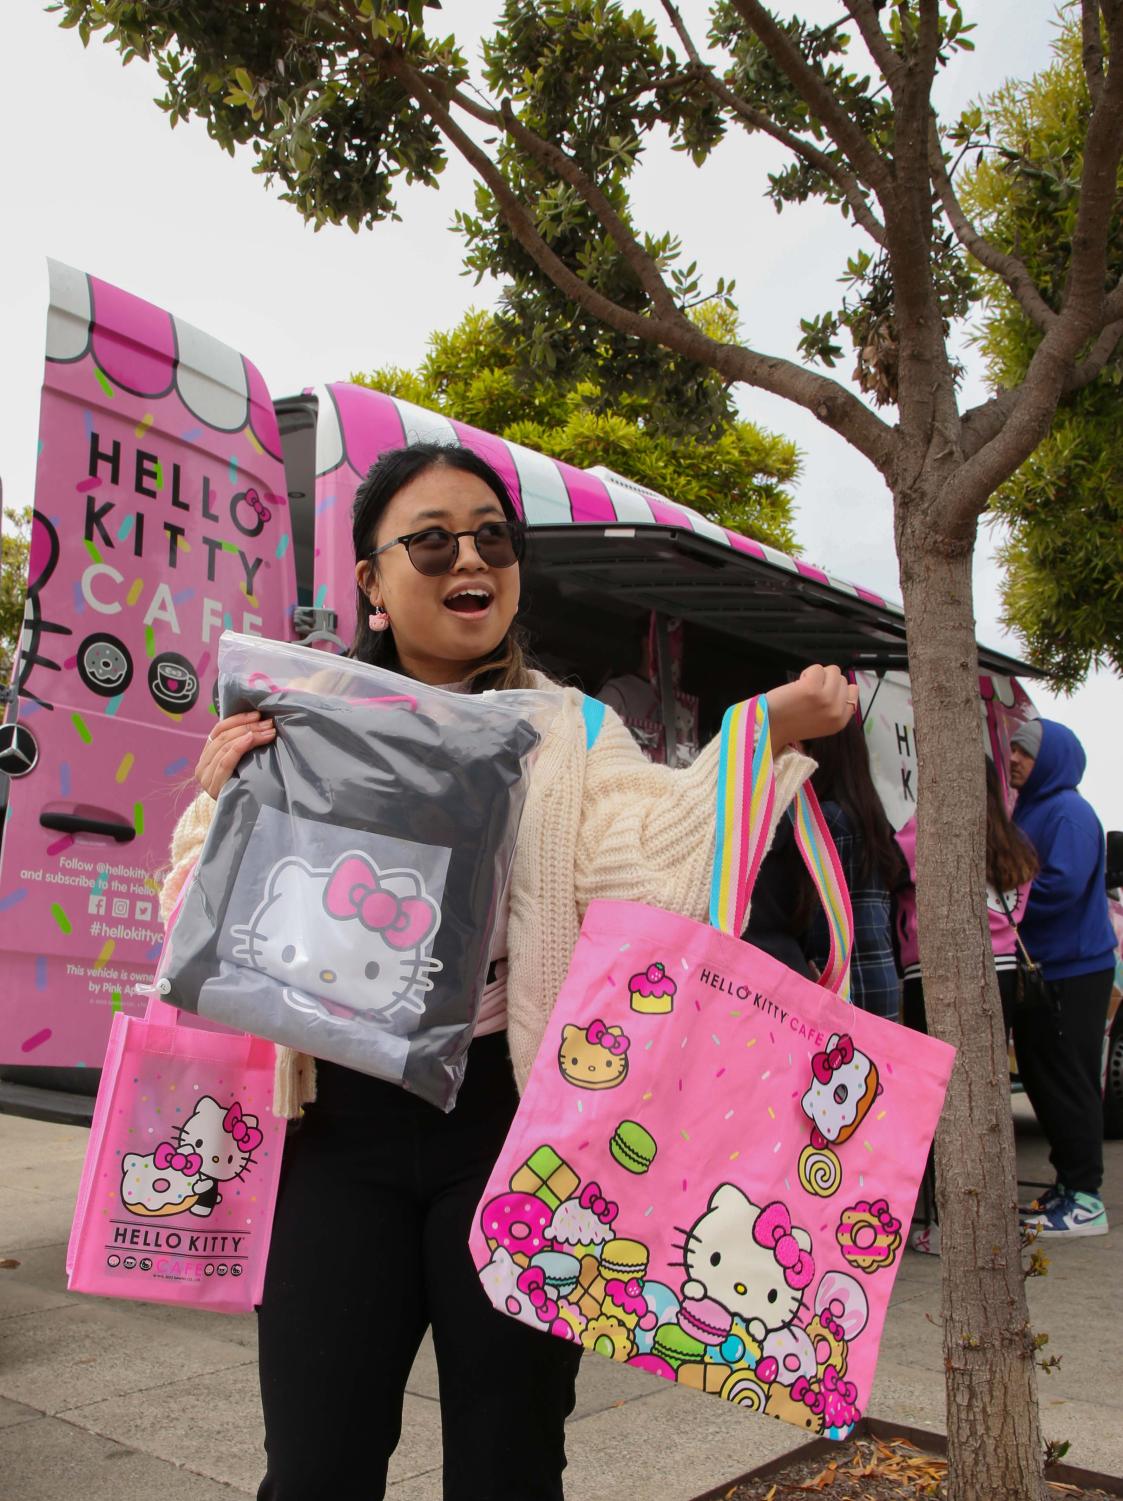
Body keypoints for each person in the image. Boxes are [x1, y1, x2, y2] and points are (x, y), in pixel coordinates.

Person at [160, 441, 856, 1501]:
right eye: (430, 540)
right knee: (316, 1463)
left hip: (511, 1125)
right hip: (331, 1134)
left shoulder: (574, 730)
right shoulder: (299, 718)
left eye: (492, 537)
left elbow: (653, 862)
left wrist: (756, 736)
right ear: (372, 584)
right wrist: (224, 811)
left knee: (511, 1458)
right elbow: (191, 934)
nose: (467, 559)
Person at [895, 756, 1038, 1254]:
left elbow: (894, 864)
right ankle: (994, 1219)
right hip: (1000, 973)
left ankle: (949, 1226)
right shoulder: (1012, 842)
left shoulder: (927, 830)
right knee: (987, 1095)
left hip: (932, 972)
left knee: (939, 1100)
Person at [1008, 718, 1116, 1239]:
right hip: (1045, 968)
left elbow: (1061, 887)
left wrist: (1003, 895)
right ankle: (1067, 1186)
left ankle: (1085, 1199)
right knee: (1042, 1075)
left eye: (1024, 753)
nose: (1013, 758)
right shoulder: (1032, 808)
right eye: (1012, 749)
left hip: (1074, 970)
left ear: (1051, 760)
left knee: (1068, 1079)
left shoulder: (1069, 813)